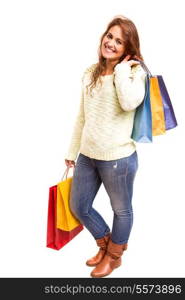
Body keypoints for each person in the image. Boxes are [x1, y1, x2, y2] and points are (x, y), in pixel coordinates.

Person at [64, 15, 146, 278]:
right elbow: (82, 116)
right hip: (88, 155)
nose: (110, 43)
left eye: (119, 41)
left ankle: (113, 257)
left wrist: (121, 70)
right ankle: (106, 243)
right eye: (109, 36)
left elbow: (129, 103)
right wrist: (71, 151)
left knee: (121, 210)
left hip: (118, 159)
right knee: (79, 206)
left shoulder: (135, 73)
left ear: (128, 49)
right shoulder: (91, 72)